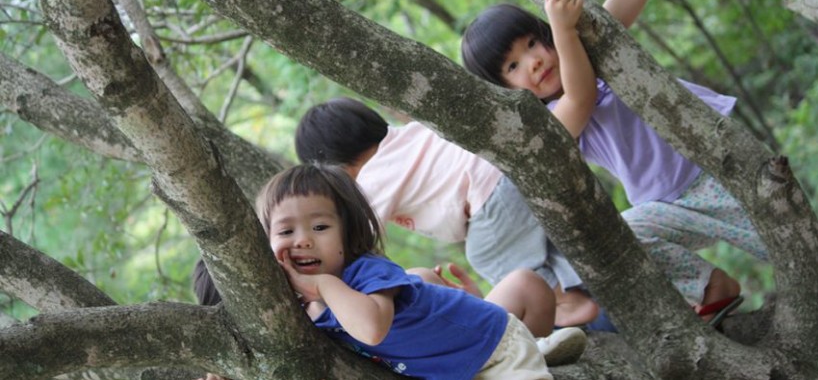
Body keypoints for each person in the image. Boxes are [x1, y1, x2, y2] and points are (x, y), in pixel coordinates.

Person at [460, 0, 767, 321]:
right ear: (506, 90)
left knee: (788, 246)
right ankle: (712, 287)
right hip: (668, 204)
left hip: (718, 165)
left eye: (531, 44)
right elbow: (581, 97)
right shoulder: (550, 125)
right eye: (513, 65)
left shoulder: (593, 48)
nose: (533, 61)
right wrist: (562, 29)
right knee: (622, 238)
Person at [219, 163, 585, 380]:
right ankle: (540, 349)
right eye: (285, 232)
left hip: (494, 348)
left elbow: (372, 328)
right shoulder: (296, 307)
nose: (303, 241)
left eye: (319, 228)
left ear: (349, 232)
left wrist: (322, 284)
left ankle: (533, 349)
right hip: (456, 369)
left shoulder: (367, 273)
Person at [295, 97, 609, 330]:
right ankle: (582, 287)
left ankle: (565, 304)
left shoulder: (370, 179)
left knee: (486, 254)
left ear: (335, 169)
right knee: (545, 249)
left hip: (489, 199)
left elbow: (358, 235)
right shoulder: (409, 134)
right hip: (512, 175)